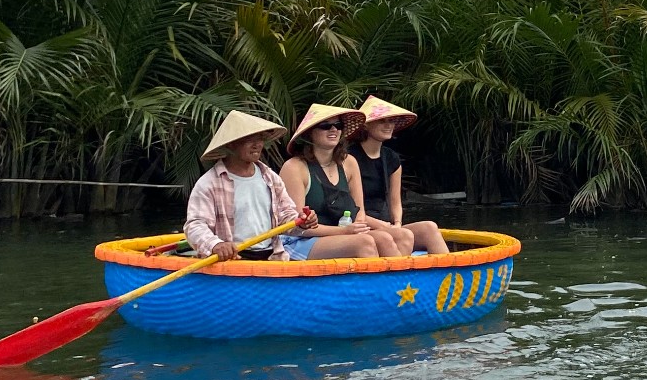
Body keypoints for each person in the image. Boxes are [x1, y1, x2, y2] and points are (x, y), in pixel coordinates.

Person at [184, 109, 380, 263]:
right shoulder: (210, 183)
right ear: (230, 145)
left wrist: (302, 222)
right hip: (235, 259)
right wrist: (216, 245)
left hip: (271, 256)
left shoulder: (269, 177)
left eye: (260, 139)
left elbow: (287, 219)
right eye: (248, 140)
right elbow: (195, 225)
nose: (257, 144)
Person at [278, 105, 404, 258]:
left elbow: (359, 211)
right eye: (325, 126)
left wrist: (356, 228)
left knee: (385, 239)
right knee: (364, 242)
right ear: (309, 133)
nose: (333, 130)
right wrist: (344, 231)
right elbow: (295, 226)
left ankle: (400, 282)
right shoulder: (294, 167)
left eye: (338, 125)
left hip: (343, 233)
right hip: (301, 239)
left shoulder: (349, 162)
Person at [351, 95, 450, 255]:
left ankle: (451, 276)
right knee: (400, 235)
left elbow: (395, 202)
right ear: (366, 125)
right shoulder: (349, 158)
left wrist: (396, 223)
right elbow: (351, 208)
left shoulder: (391, 158)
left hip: (387, 225)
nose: (388, 125)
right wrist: (383, 226)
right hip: (361, 225)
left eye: (391, 121)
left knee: (429, 227)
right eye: (382, 121)